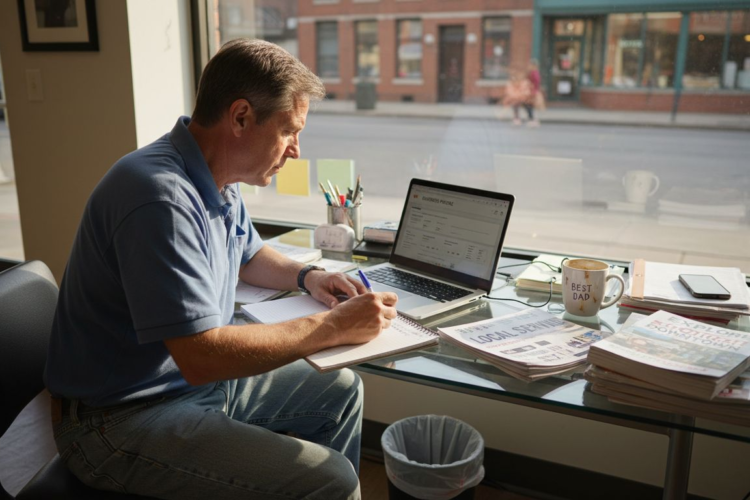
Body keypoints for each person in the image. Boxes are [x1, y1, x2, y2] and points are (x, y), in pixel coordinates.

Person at [44, 38, 398, 500]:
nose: (295, 150)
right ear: (240, 118)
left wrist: (307, 277)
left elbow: (249, 256)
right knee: (330, 480)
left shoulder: (217, 175)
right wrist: (331, 326)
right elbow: (202, 356)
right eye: (290, 130)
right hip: (119, 419)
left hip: (184, 386)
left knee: (341, 389)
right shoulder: (159, 197)